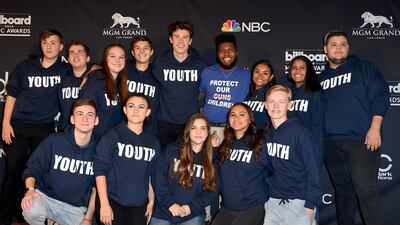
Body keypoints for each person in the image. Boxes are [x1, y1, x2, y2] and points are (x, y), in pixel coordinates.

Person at [319, 30, 390, 225]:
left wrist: (375, 128)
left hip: (361, 140)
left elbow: (381, 95)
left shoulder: (363, 67)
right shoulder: (320, 78)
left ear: (348, 48)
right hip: (330, 143)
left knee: (366, 193)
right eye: (333, 44)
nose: (338, 47)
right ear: (325, 50)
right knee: (343, 193)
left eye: (343, 44)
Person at [0, 29, 67, 224]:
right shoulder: (25, 67)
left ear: (61, 47)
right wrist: (5, 123)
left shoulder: (64, 70)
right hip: (18, 125)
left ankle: (27, 216)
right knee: (13, 170)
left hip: (44, 128)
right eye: (45, 42)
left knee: (37, 174)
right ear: (41, 45)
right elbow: (11, 95)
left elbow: (85, 69)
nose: (49, 46)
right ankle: (5, 217)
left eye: (54, 42)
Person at [20, 98, 98, 225]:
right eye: (80, 114)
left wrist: (88, 218)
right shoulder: (55, 141)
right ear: (72, 119)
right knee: (31, 209)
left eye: (90, 115)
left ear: (96, 120)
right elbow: (32, 168)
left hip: (74, 208)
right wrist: (30, 190)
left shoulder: (98, 151)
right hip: (46, 198)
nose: (85, 119)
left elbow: (96, 188)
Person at [94, 93, 160, 225]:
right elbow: (100, 171)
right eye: (131, 106)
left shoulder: (153, 142)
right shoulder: (112, 136)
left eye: (141, 107)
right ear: (125, 110)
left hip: (138, 204)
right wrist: (104, 204)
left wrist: (151, 201)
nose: (135, 111)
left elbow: (152, 175)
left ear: (148, 112)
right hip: (111, 201)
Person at [263, 85, 321, 225]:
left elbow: (313, 171)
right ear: (265, 105)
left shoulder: (301, 134)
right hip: (273, 203)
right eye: (272, 101)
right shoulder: (268, 134)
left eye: (281, 102)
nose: (276, 106)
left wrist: (310, 205)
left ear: (290, 105)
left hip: (298, 204)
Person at [151, 113, 217, 225]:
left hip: (192, 215)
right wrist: (170, 204)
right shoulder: (171, 150)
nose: (198, 132)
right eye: (193, 128)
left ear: (207, 134)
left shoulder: (212, 159)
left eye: (203, 128)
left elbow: (212, 192)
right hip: (164, 212)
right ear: (187, 131)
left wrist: (190, 208)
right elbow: (158, 178)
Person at [212, 103, 271, 225]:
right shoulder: (226, 145)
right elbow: (217, 174)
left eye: (241, 114)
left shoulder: (260, 143)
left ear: (250, 119)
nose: (236, 118)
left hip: (252, 207)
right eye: (232, 115)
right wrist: (214, 149)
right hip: (227, 207)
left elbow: (274, 171)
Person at [152, 20, 207, 146]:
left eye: (185, 37)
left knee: (187, 163)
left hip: (190, 125)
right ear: (171, 39)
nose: (181, 42)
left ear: (190, 41)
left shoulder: (200, 65)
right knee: (164, 162)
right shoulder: (160, 62)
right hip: (164, 125)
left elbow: (207, 89)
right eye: (177, 37)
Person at [199, 34, 250, 146]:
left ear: (236, 53)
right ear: (217, 54)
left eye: (230, 50)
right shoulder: (207, 72)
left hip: (232, 130)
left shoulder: (246, 75)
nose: (226, 54)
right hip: (208, 128)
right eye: (222, 50)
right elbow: (201, 93)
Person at [80, 43, 128, 141]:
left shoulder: (121, 82)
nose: (117, 60)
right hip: (95, 140)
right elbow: (85, 111)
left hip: (114, 140)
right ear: (106, 59)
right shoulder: (95, 81)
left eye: (121, 57)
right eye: (113, 56)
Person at [287, 55, 324, 166]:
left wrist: (315, 152)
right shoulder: (287, 93)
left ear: (309, 71)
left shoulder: (315, 92)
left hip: (308, 148)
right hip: (290, 148)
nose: (297, 71)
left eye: (302, 67)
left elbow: (317, 125)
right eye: (294, 67)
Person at [127, 36, 159, 134]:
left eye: (145, 48)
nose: (142, 51)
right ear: (132, 52)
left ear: (151, 51)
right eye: (138, 48)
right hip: (125, 127)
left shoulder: (158, 73)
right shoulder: (123, 69)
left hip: (149, 130)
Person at [58, 40, 92, 131]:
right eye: (72, 52)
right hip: (65, 130)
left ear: (88, 58)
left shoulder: (96, 78)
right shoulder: (62, 77)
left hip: (88, 131)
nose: (75, 55)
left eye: (80, 52)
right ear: (68, 59)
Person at [244, 60, 276, 130]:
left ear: (271, 77)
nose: (260, 76)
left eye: (265, 73)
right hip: (246, 137)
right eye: (257, 72)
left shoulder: (273, 94)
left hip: (264, 137)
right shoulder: (246, 93)